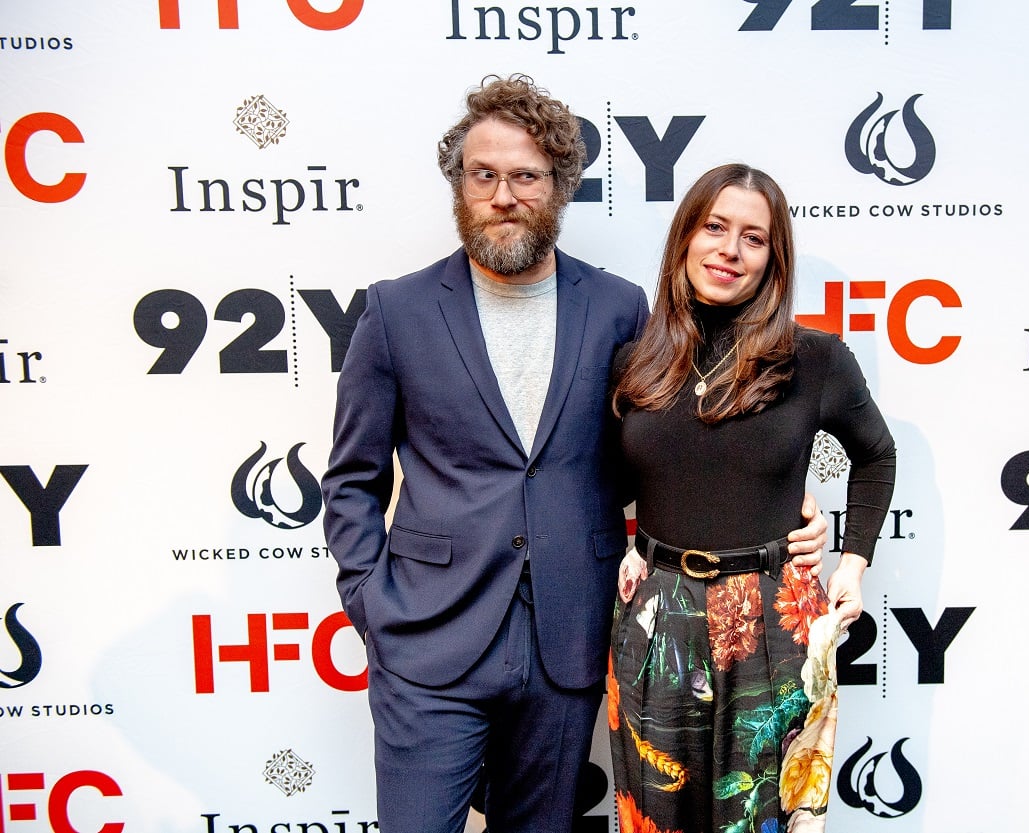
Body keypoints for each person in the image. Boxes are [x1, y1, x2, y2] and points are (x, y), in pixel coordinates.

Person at [320, 76, 829, 833]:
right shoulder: (397, 311)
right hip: (427, 642)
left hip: (568, 639)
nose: (503, 195)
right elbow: (351, 480)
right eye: (483, 174)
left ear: (559, 186)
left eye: (525, 176)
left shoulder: (618, 307)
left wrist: (787, 500)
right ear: (459, 185)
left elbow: (668, 444)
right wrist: (374, 607)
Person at [607, 163, 897, 833]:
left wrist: (852, 561)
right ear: (686, 237)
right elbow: (605, 478)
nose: (729, 250)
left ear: (774, 258)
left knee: (762, 816)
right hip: (656, 613)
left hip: (774, 615)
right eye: (714, 227)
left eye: (753, 237)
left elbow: (876, 453)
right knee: (655, 812)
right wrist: (626, 544)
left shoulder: (814, 359)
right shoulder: (635, 361)